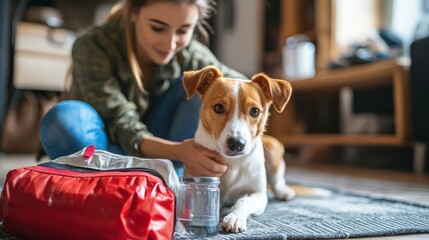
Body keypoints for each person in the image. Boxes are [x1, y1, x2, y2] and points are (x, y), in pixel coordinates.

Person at [39, 0, 247, 177]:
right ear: (134, 13)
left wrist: (254, 138)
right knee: (62, 120)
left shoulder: (191, 54)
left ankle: (157, 179)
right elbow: (120, 120)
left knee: (208, 91)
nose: (170, 43)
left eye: (183, 31)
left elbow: (245, 88)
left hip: (164, 156)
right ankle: (149, 179)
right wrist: (180, 152)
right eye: (158, 27)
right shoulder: (93, 45)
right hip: (102, 149)